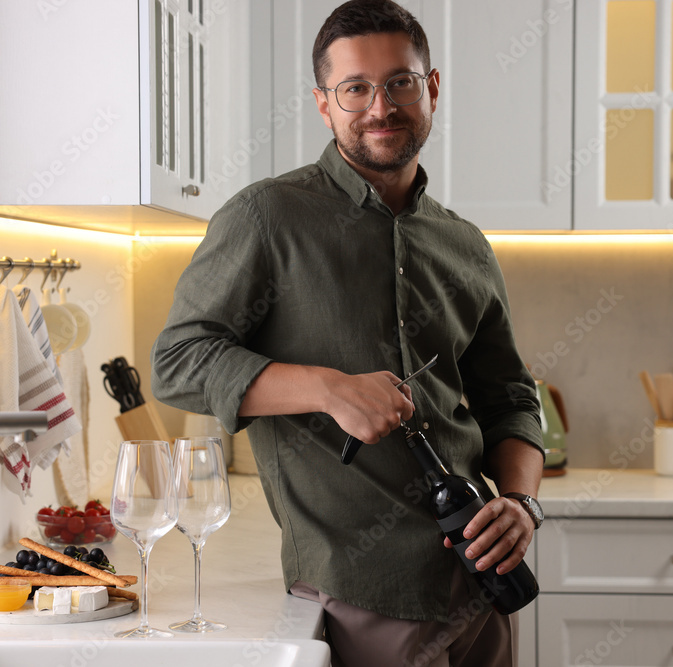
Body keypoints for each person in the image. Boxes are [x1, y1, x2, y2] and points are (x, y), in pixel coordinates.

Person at [152, 1, 544, 664]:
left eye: (400, 83)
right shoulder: (268, 217)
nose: (380, 106)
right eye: (354, 88)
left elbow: (509, 397)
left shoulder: (466, 245)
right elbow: (179, 362)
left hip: (483, 588)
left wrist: (522, 503)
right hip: (362, 596)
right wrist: (328, 388)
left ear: (433, 89)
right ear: (323, 104)